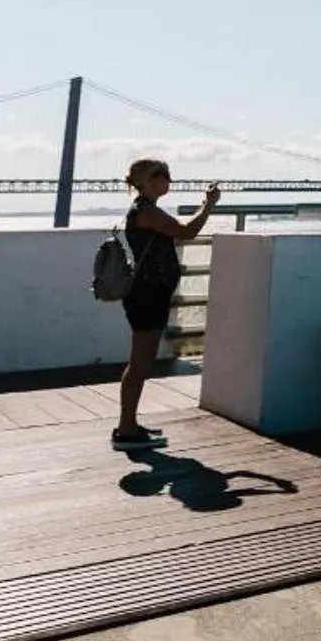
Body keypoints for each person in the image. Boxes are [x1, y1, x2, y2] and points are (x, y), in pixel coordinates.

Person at [117, 159, 220, 449]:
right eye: (161, 175)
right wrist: (209, 205)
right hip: (146, 295)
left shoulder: (146, 209)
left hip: (150, 294)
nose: (168, 180)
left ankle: (129, 424)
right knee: (139, 363)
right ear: (145, 181)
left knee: (141, 361)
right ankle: (126, 429)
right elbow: (186, 232)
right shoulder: (145, 211)